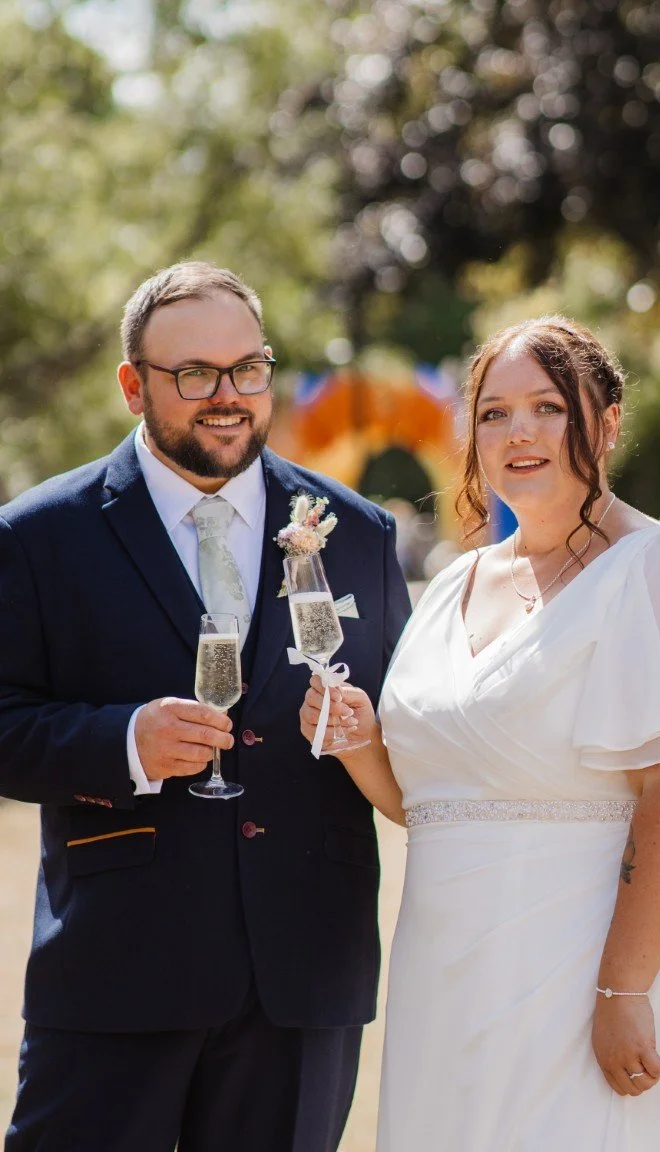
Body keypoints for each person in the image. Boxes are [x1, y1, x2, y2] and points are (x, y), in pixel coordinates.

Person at [300, 316, 660, 1151]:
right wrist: (360, 743)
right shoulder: (452, 587)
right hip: (451, 977)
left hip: (586, 970)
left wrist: (623, 992)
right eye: (493, 413)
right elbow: (435, 804)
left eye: (548, 407)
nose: (519, 432)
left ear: (608, 420)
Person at [0, 261, 410, 1152]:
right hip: (116, 972)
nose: (226, 396)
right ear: (132, 385)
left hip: (304, 976)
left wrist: (368, 735)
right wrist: (125, 743)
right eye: (192, 375)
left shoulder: (361, 534)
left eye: (247, 369)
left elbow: (411, 730)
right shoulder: (37, 537)